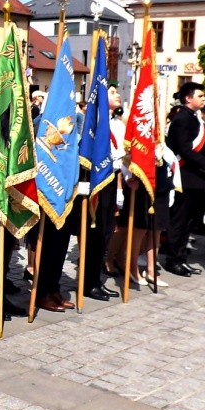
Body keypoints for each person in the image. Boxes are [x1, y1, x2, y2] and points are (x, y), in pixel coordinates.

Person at [165, 82, 205, 277]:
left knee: (188, 223)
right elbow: (185, 149)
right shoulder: (182, 119)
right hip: (185, 178)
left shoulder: (194, 119)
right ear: (188, 98)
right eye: (200, 96)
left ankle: (181, 257)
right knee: (179, 221)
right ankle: (173, 260)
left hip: (196, 178)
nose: (204, 99)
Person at [82, 82, 125, 302]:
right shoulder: (95, 123)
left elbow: (120, 157)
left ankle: (96, 279)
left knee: (107, 232)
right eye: (112, 92)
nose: (117, 95)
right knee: (96, 234)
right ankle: (88, 282)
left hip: (112, 181)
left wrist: (121, 186)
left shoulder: (117, 124)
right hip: (97, 183)